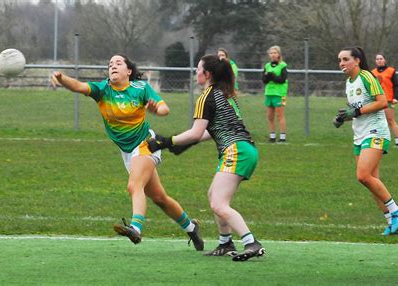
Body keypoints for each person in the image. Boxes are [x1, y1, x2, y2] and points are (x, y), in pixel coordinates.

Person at [50, 54, 204, 250]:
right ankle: (191, 228)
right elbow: (78, 86)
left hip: (146, 144)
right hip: (128, 152)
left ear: (129, 71)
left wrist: (156, 110)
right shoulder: (103, 90)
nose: (113, 66)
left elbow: (165, 108)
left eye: (118, 63)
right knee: (159, 198)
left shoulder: (140, 88)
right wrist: (62, 78)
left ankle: (136, 228)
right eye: (110, 64)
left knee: (134, 186)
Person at [147, 54, 265, 262]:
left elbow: (195, 132)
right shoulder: (225, 93)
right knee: (213, 196)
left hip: (236, 150)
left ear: (207, 74)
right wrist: (182, 144)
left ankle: (251, 243)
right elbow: (212, 130)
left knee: (219, 204)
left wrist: (166, 142)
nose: (196, 73)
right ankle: (225, 242)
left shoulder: (206, 96)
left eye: (198, 69)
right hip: (245, 149)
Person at [334, 47, 398, 236]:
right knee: (371, 181)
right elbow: (356, 111)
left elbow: (382, 102)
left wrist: (355, 112)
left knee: (363, 175)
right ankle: (391, 222)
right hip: (359, 134)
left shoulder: (366, 76)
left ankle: (396, 210)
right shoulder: (349, 83)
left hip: (375, 133)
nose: (341, 63)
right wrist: (344, 118)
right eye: (339, 60)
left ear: (357, 60)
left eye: (345, 59)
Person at [372, 54, 398, 147]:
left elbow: (396, 86)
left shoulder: (391, 71)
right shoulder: (372, 72)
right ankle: (377, 140)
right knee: (376, 121)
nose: (379, 60)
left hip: (388, 100)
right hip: (377, 100)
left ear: (384, 60)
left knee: (390, 120)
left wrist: (395, 98)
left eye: (381, 58)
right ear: (375, 61)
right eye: (377, 59)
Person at [262, 45, 288, 143]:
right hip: (269, 93)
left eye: (275, 53)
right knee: (270, 116)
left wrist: (271, 76)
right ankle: (272, 136)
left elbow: (282, 79)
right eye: (271, 53)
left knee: (280, 116)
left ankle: (282, 137)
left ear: (278, 54)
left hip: (280, 94)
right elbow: (264, 80)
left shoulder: (283, 65)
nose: (273, 55)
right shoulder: (267, 66)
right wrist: (267, 77)